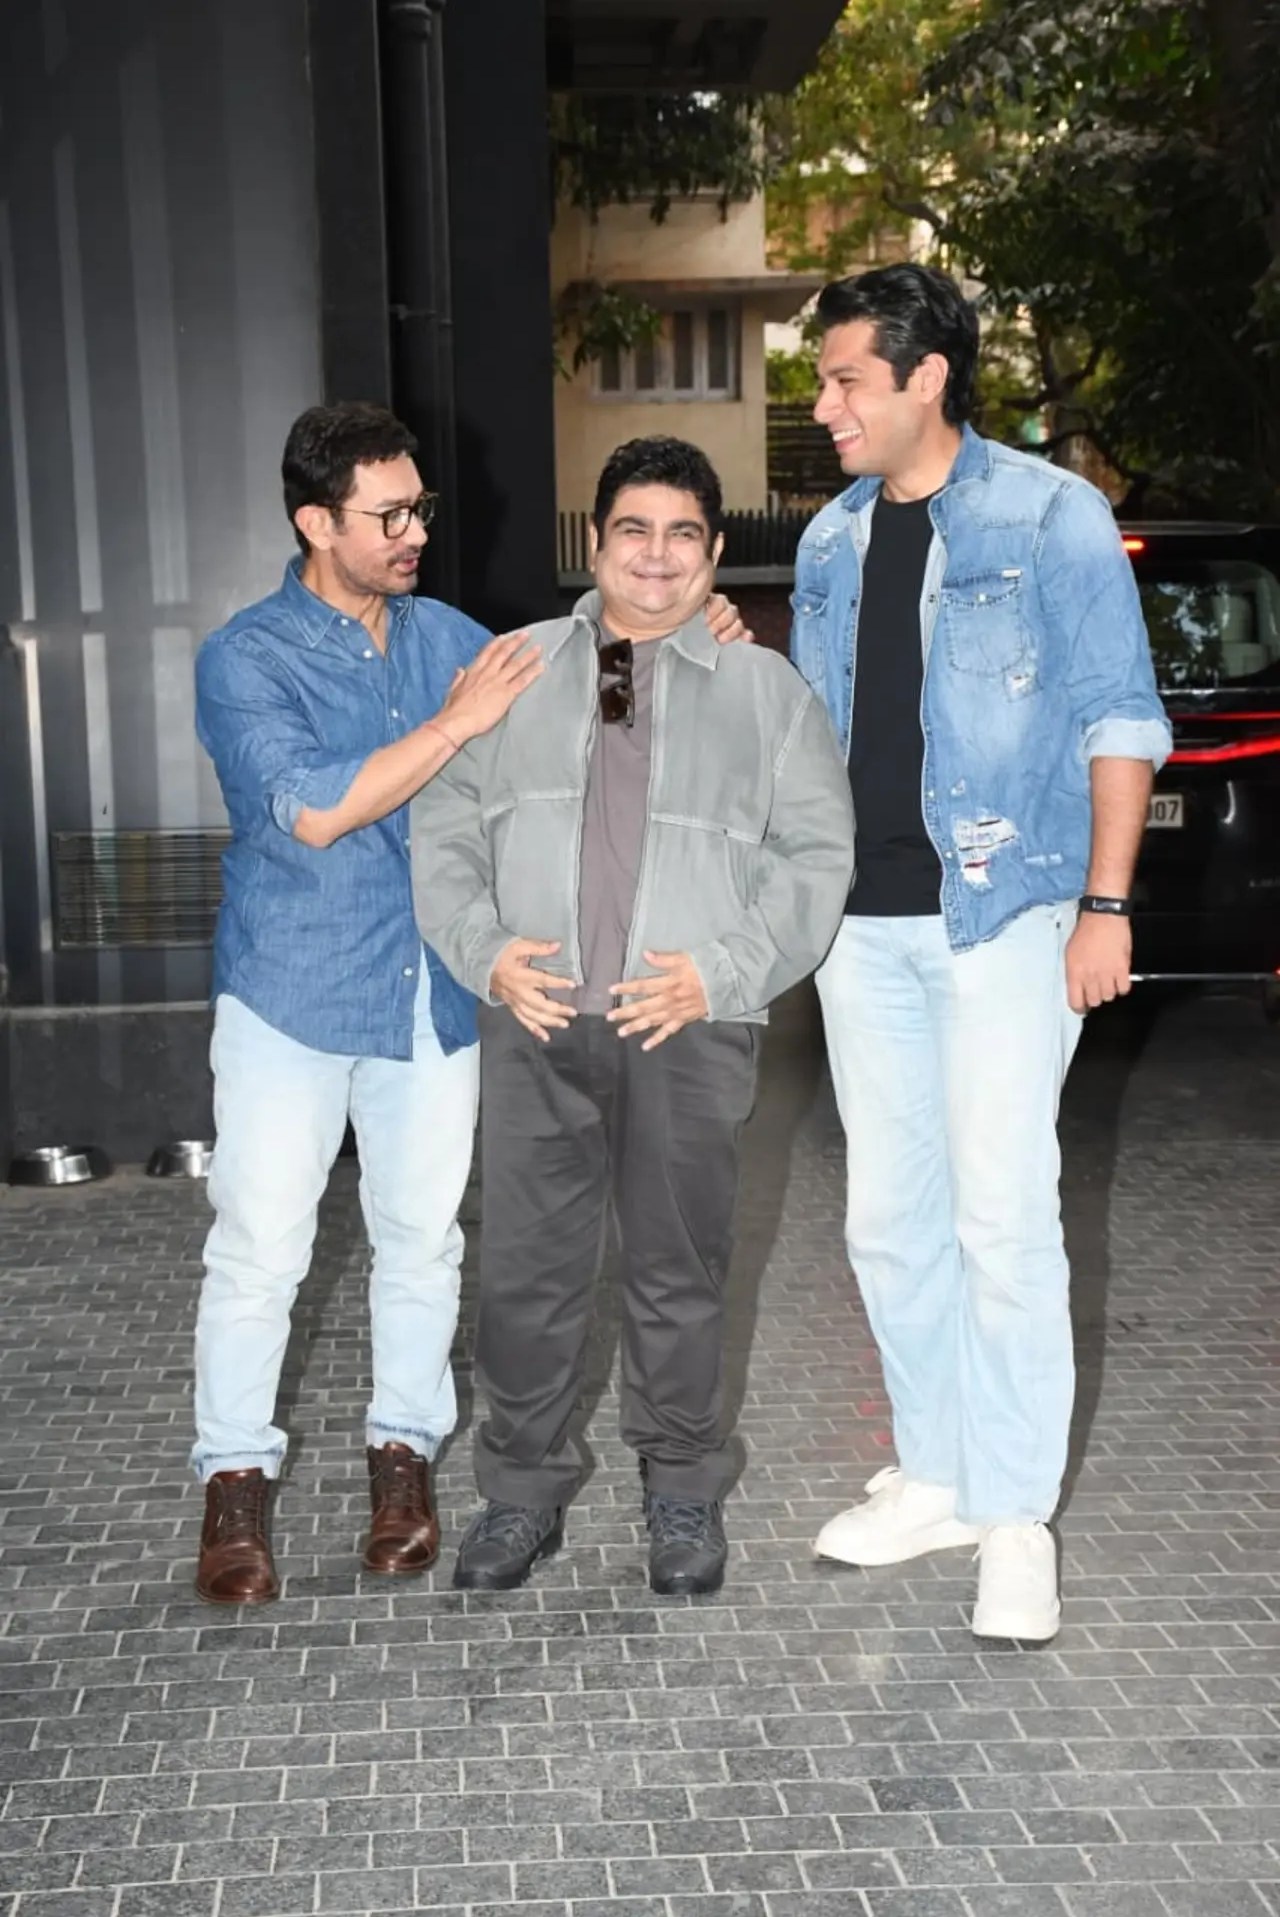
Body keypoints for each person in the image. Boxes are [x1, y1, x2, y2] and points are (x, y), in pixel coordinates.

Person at [191, 403, 750, 1606]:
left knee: (423, 1244)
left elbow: (607, 698)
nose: (412, 533)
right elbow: (317, 807)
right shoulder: (244, 658)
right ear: (312, 522)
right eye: (386, 515)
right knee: (259, 1251)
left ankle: (404, 1463)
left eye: (419, 510)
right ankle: (234, 1486)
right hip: (293, 992)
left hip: (434, 1000)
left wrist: (687, 627)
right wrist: (457, 722)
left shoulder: (450, 632)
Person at [792, 265, 1171, 1642]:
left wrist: (1107, 907)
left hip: (1006, 915)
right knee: (888, 1220)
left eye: (845, 380)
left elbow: (1121, 718)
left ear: (926, 377)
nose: (823, 404)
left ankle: (1016, 1516)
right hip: (862, 928)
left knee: (1001, 1216)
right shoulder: (830, 542)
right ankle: (939, 1474)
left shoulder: (1051, 515)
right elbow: (818, 725)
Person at [411, 436, 854, 1597]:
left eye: (682, 535)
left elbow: (815, 857)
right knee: (525, 1278)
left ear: (712, 554)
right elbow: (445, 824)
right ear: (595, 542)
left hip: (688, 1027)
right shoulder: (512, 669)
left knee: (679, 1273)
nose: (655, 556)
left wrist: (724, 973)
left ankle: (681, 1493)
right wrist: (483, 952)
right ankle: (518, 1495)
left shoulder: (765, 691)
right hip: (537, 1019)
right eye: (631, 530)